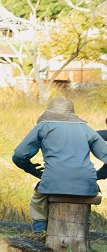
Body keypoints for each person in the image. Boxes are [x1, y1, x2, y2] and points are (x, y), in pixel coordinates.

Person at [11, 97, 107, 235]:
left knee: (38, 201)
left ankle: (39, 234)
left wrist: (34, 171)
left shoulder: (43, 126)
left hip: (53, 183)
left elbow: (19, 156)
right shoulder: (86, 129)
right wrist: (96, 176)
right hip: (86, 185)